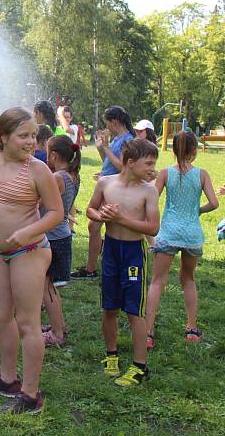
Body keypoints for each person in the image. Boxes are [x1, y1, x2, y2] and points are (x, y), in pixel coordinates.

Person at [0, 108, 62, 415]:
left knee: (27, 322)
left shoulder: (38, 170)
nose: (31, 142)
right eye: (24, 135)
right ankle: (8, 379)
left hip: (29, 252)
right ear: (3, 137)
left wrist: (27, 232)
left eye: (34, 135)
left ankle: (30, 394)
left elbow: (55, 213)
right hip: (5, 253)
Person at [86, 139, 159, 387]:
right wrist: (102, 215)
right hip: (111, 250)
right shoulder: (106, 182)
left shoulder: (149, 190)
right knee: (109, 307)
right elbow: (90, 210)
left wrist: (121, 218)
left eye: (154, 163)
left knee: (133, 311)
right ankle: (111, 355)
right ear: (130, 162)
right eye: (148, 163)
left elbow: (153, 227)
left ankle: (140, 367)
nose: (152, 168)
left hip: (133, 253)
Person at [145, 131, 218, 348]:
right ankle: (192, 328)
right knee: (188, 279)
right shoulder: (202, 175)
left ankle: (148, 332)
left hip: (168, 234)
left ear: (174, 150)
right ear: (194, 150)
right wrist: (198, 211)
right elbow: (214, 203)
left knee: (158, 281)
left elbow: (151, 199)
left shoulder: (165, 173)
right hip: (192, 235)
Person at [72, 106, 135, 278]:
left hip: (115, 189)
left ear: (115, 122)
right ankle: (94, 267)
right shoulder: (116, 139)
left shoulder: (127, 140)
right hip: (107, 184)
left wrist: (106, 148)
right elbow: (109, 162)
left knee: (98, 226)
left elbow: (123, 167)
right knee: (96, 226)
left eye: (108, 124)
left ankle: (93, 268)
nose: (107, 128)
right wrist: (102, 149)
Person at [41, 135, 82, 346]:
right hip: (62, 234)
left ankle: (57, 333)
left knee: (47, 287)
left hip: (53, 237)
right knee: (50, 287)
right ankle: (60, 325)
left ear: (54, 155)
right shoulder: (73, 175)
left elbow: (42, 202)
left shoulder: (57, 177)